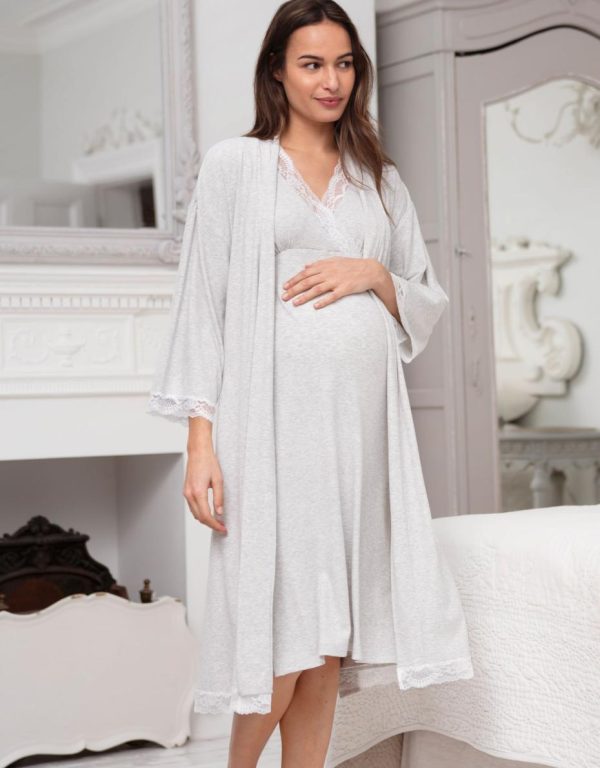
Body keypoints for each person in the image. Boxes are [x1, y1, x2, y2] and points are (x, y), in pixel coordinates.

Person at [147, 1, 474, 766]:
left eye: (344, 63)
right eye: (312, 64)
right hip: (271, 430)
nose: (332, 81)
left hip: (359, 434)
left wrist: (373, 274)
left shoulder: (378, 180)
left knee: (326, 635)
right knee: (286, 630)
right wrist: (201, 442)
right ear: (277, 72)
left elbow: (424, 296)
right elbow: (204, 307)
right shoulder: (238, 166)